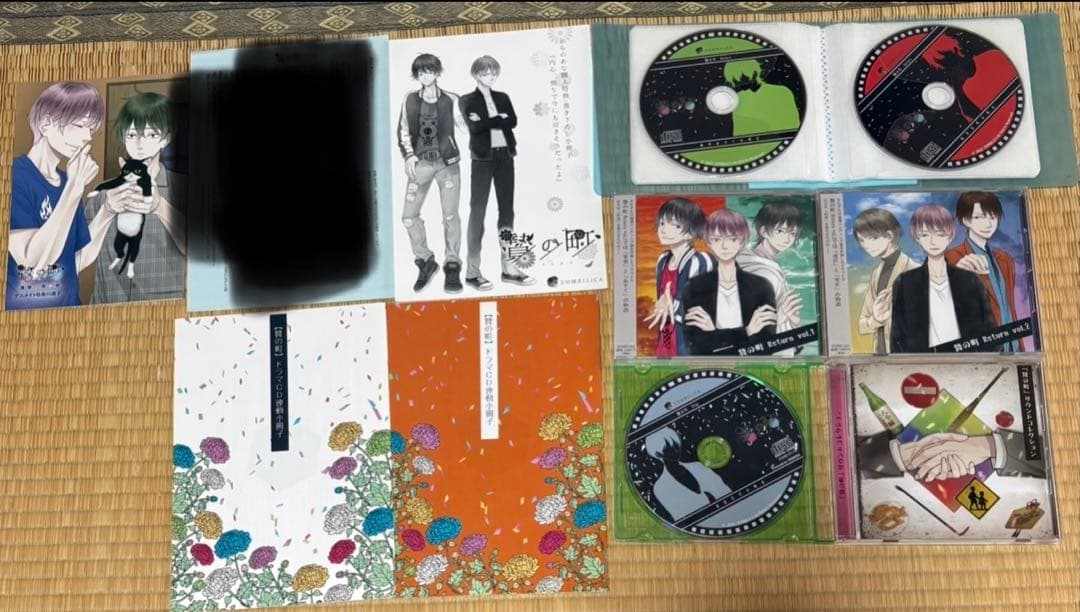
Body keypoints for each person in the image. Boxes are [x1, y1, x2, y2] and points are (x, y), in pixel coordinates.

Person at [6, 82, 120, 310]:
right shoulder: (14, 176)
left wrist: (108, 210)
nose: (87, 137)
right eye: (79, 125)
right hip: (25, 318)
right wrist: (75, 188)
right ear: (46, 123)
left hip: (71, 312)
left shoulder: (68, 180)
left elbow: (76, 261)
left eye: (91, 129)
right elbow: (33, 263)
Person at [85, 91, 186, 303]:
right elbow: (78, 257)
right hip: (107, 309)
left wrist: (160, 206)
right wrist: (107, 211)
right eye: (132, 135)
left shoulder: (186, 189)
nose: (140, 143)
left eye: (151, 135)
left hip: (165, 310)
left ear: (166, 139)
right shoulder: (101, 196)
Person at [459, 55, 533, 290]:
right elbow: (474, 127)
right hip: (482, 159)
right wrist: (497, 119)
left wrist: (489, 120)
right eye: (485, 73)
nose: (490, 77)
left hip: (505, 156)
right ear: (476, 74)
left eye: (493, 73)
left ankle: (509, 268)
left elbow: (513, 121)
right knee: (477, 212)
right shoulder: (467, 100)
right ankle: (472, 272)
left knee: (507, 212)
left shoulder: (503, 97)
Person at [397, 53, 467, 294]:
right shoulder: (409, 99)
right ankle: (426, 260)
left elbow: (465, 126)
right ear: (416, 75)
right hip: (421, 165)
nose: (425, 76)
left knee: (450, 215)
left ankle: (452, 263)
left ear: (437, 73)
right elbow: (403, 130)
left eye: (429, 71)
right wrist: (409, 155)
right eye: (421, 72)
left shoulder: (451, 99)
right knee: (409, 216)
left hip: (447, 164)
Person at [889, 204, 995, 353]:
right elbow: (897, 338)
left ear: (949, 236)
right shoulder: (905, 283)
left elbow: (989, 333)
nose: (933, 241)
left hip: (967, 361)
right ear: (917, 238)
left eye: (940, 234)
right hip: (922, 362)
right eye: (925, 235)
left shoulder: (970, 281)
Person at [679, 209, 777, 355]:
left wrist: (713, 333)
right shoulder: (694, 287)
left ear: (742, 242)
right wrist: (748, 331)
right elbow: (695, 348)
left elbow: (766, 346)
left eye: (732, 239)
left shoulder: (761, 287)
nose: (725, 246)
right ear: (709, 242)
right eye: (717, 239)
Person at [945, 191, 1019, 352]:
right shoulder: (952, 257)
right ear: (966, 220)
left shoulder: (1004, 259)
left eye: (992, 217)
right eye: (980, 217)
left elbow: (1009, 305)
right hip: (979, 346)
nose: (988, 224)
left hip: (1011, 344)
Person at [643, 198, 713, 356]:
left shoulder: (700, 261)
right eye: (662, 223)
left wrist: (671, 305)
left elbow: (701, 307)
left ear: (691, 232)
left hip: (689, 341)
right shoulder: (663, 260)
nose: (663, 229)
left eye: (674, 225)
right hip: (666, 334)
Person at [736, 200, 806, 353]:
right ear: (763, 231)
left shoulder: (757, 262)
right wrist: (781, 320)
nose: (787, 238)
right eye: (780, 231)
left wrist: (794, 322)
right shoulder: (763, 271)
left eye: (792, 233)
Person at [851, 208, 919, 354]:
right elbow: (862, 324)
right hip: (879, 353)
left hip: (908, 355)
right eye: (861, 240)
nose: (865, 245)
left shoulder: (914, 270)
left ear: (889, 235)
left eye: (872, 238)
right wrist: (876, 320)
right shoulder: (876, 274)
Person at [644, 427, 731, 524]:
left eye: (676, 445)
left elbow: (726, 491)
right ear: (658, 454)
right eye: (669, 449)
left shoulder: (698, 466)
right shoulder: (660, 488)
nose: (676, 450)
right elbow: (682, 518)